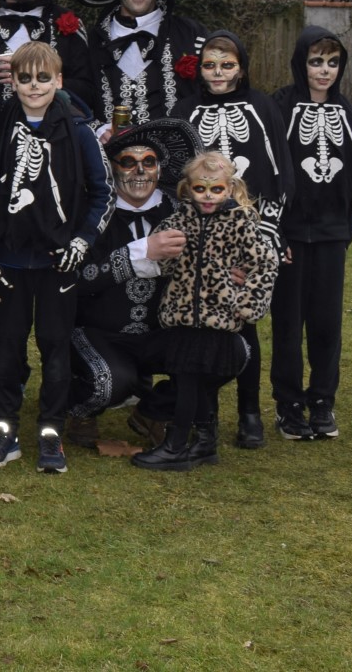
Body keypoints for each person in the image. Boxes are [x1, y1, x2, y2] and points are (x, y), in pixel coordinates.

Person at [0, 40, 112, 474]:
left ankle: (52, 432)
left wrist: (82, 241)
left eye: (43, 78)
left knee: (55, 349)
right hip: (11, 262)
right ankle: (4, 430)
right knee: (8, 350)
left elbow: (103, 192)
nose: (34, 86)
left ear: (59, 80)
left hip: (58, 264)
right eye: (25, 78)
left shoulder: (80, 132)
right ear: (12, 82)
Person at [173, 29, 291, 448]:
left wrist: (268, 235)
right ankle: (202, 414)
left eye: (227, 65)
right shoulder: (185, 109)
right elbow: (176, 179)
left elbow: (280, 172)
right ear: (199, 69)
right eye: (210, 65)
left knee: (245, 325)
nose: (218, 72)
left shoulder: (262, 106)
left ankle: (249, 412)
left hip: (247, 233)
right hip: (200, 234)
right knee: (200, 329)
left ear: (241, 68)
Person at [132, 153, 279, 471]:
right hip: (182, 318)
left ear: (230, 188)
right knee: (189, 378)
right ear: (188, 188)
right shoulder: (178, 220)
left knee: (191, 378)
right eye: (200, 189)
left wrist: (246, 305)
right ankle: (204, 442)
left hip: (218, 321)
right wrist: (165, 256)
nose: (208, 196)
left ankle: (176, 445)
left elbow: (265, 264)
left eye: (216, 189)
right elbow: (161, 260)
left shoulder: (240, 224)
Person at [64, 119, 201, 449]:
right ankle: (78, 408)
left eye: (149, 162)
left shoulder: (182, 211)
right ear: (111, 168)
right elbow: (73, 279)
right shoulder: (90, 212)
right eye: (128, 161)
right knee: (110, 383)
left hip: (162, 333)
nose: (140, 171)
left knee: (227, 352)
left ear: (159, 167)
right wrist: (137, 254)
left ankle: (154, 410)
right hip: (98, 332)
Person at [269, 27, 352, 440]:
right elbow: (272, 169)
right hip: (290, 232)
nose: (324, 70)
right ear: (300, 62)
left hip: (330, 232)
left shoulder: (348, 111)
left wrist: (344, 230)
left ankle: (323, 400)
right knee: (288, 322)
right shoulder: (280, 106)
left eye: (333, 62)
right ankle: (288, 404)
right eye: (316, 61)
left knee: (326, 322)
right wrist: (277, 232)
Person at [73, 0, 207, 128]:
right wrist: (97, 128)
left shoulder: (191, 34)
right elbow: (75, 96)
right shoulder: (91, 41)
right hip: (111, 146)